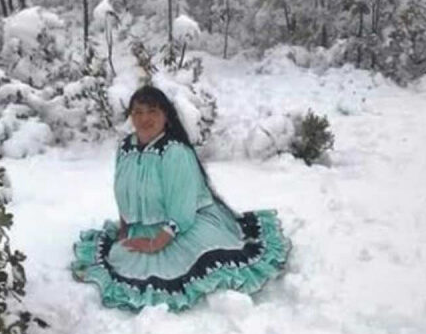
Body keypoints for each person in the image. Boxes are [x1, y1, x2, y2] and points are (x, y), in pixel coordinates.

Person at [71, 85, 290, 312]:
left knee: (168, 268)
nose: (144, 118)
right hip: (145, 226)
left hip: (185, 224)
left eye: (152, 111)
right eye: (138, 112)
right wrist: (126, 226)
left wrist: (156, 243)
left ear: (166, 116)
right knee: (120, 257)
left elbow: (182, 210)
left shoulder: (175, 153)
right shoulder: (126, 147)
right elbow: (123, 191)